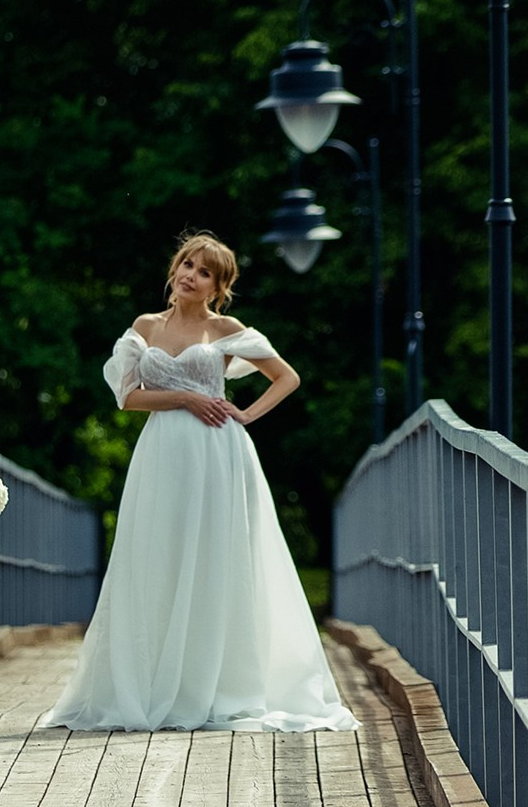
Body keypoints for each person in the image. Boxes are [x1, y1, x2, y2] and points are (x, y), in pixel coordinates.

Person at [41, 232, 357, 732]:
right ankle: (152, 682)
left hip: (218, 453)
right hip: (163, 452)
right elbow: (128, 398)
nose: (191, 274)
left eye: (204, 271)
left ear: (218, 285)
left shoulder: (225, 328)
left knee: (217, 556)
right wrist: (186, 399)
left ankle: (218, 684)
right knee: (157, 556)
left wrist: (247, 414)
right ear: (175, 268)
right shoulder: (146, 326)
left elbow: (287, 376)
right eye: (187, 263)